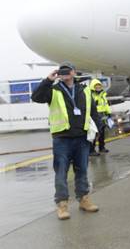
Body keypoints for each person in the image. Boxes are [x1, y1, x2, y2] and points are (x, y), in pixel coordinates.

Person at [31, 62, 102, 220]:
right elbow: (35, 97)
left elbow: (93, 111)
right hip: (62, 138)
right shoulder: (53, 90)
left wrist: (98, 130)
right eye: (62, 71)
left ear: (74, 72)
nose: (65, 73)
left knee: (82, 170)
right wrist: (48, 80)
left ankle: (84, 200)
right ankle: (62, 205)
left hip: (82, 137)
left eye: (68, 70)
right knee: (61, 172)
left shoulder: (84, 90)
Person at [89, 79, 111, 156]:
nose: (98, 87)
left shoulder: (103, 94)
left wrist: (108, 113)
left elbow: (106, 104)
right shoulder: (90, 95)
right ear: (93, 87)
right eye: (96, 86)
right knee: (95, 133)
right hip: (94, 115)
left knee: (102, 132)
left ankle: (102, 147)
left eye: (99, 86)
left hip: (103, 115)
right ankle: (91, 150)